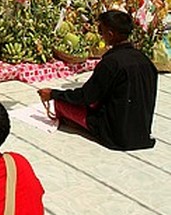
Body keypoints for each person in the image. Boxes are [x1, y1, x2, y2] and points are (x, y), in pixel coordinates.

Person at [38, 9, 157, 150]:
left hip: (114, 134)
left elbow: (86, 96)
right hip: (140, 133)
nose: (100, 34)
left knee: (61, 104)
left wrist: (53, 94)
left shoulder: (111, 63)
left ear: (110, 34)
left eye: (101, 30)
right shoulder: (145, 60)